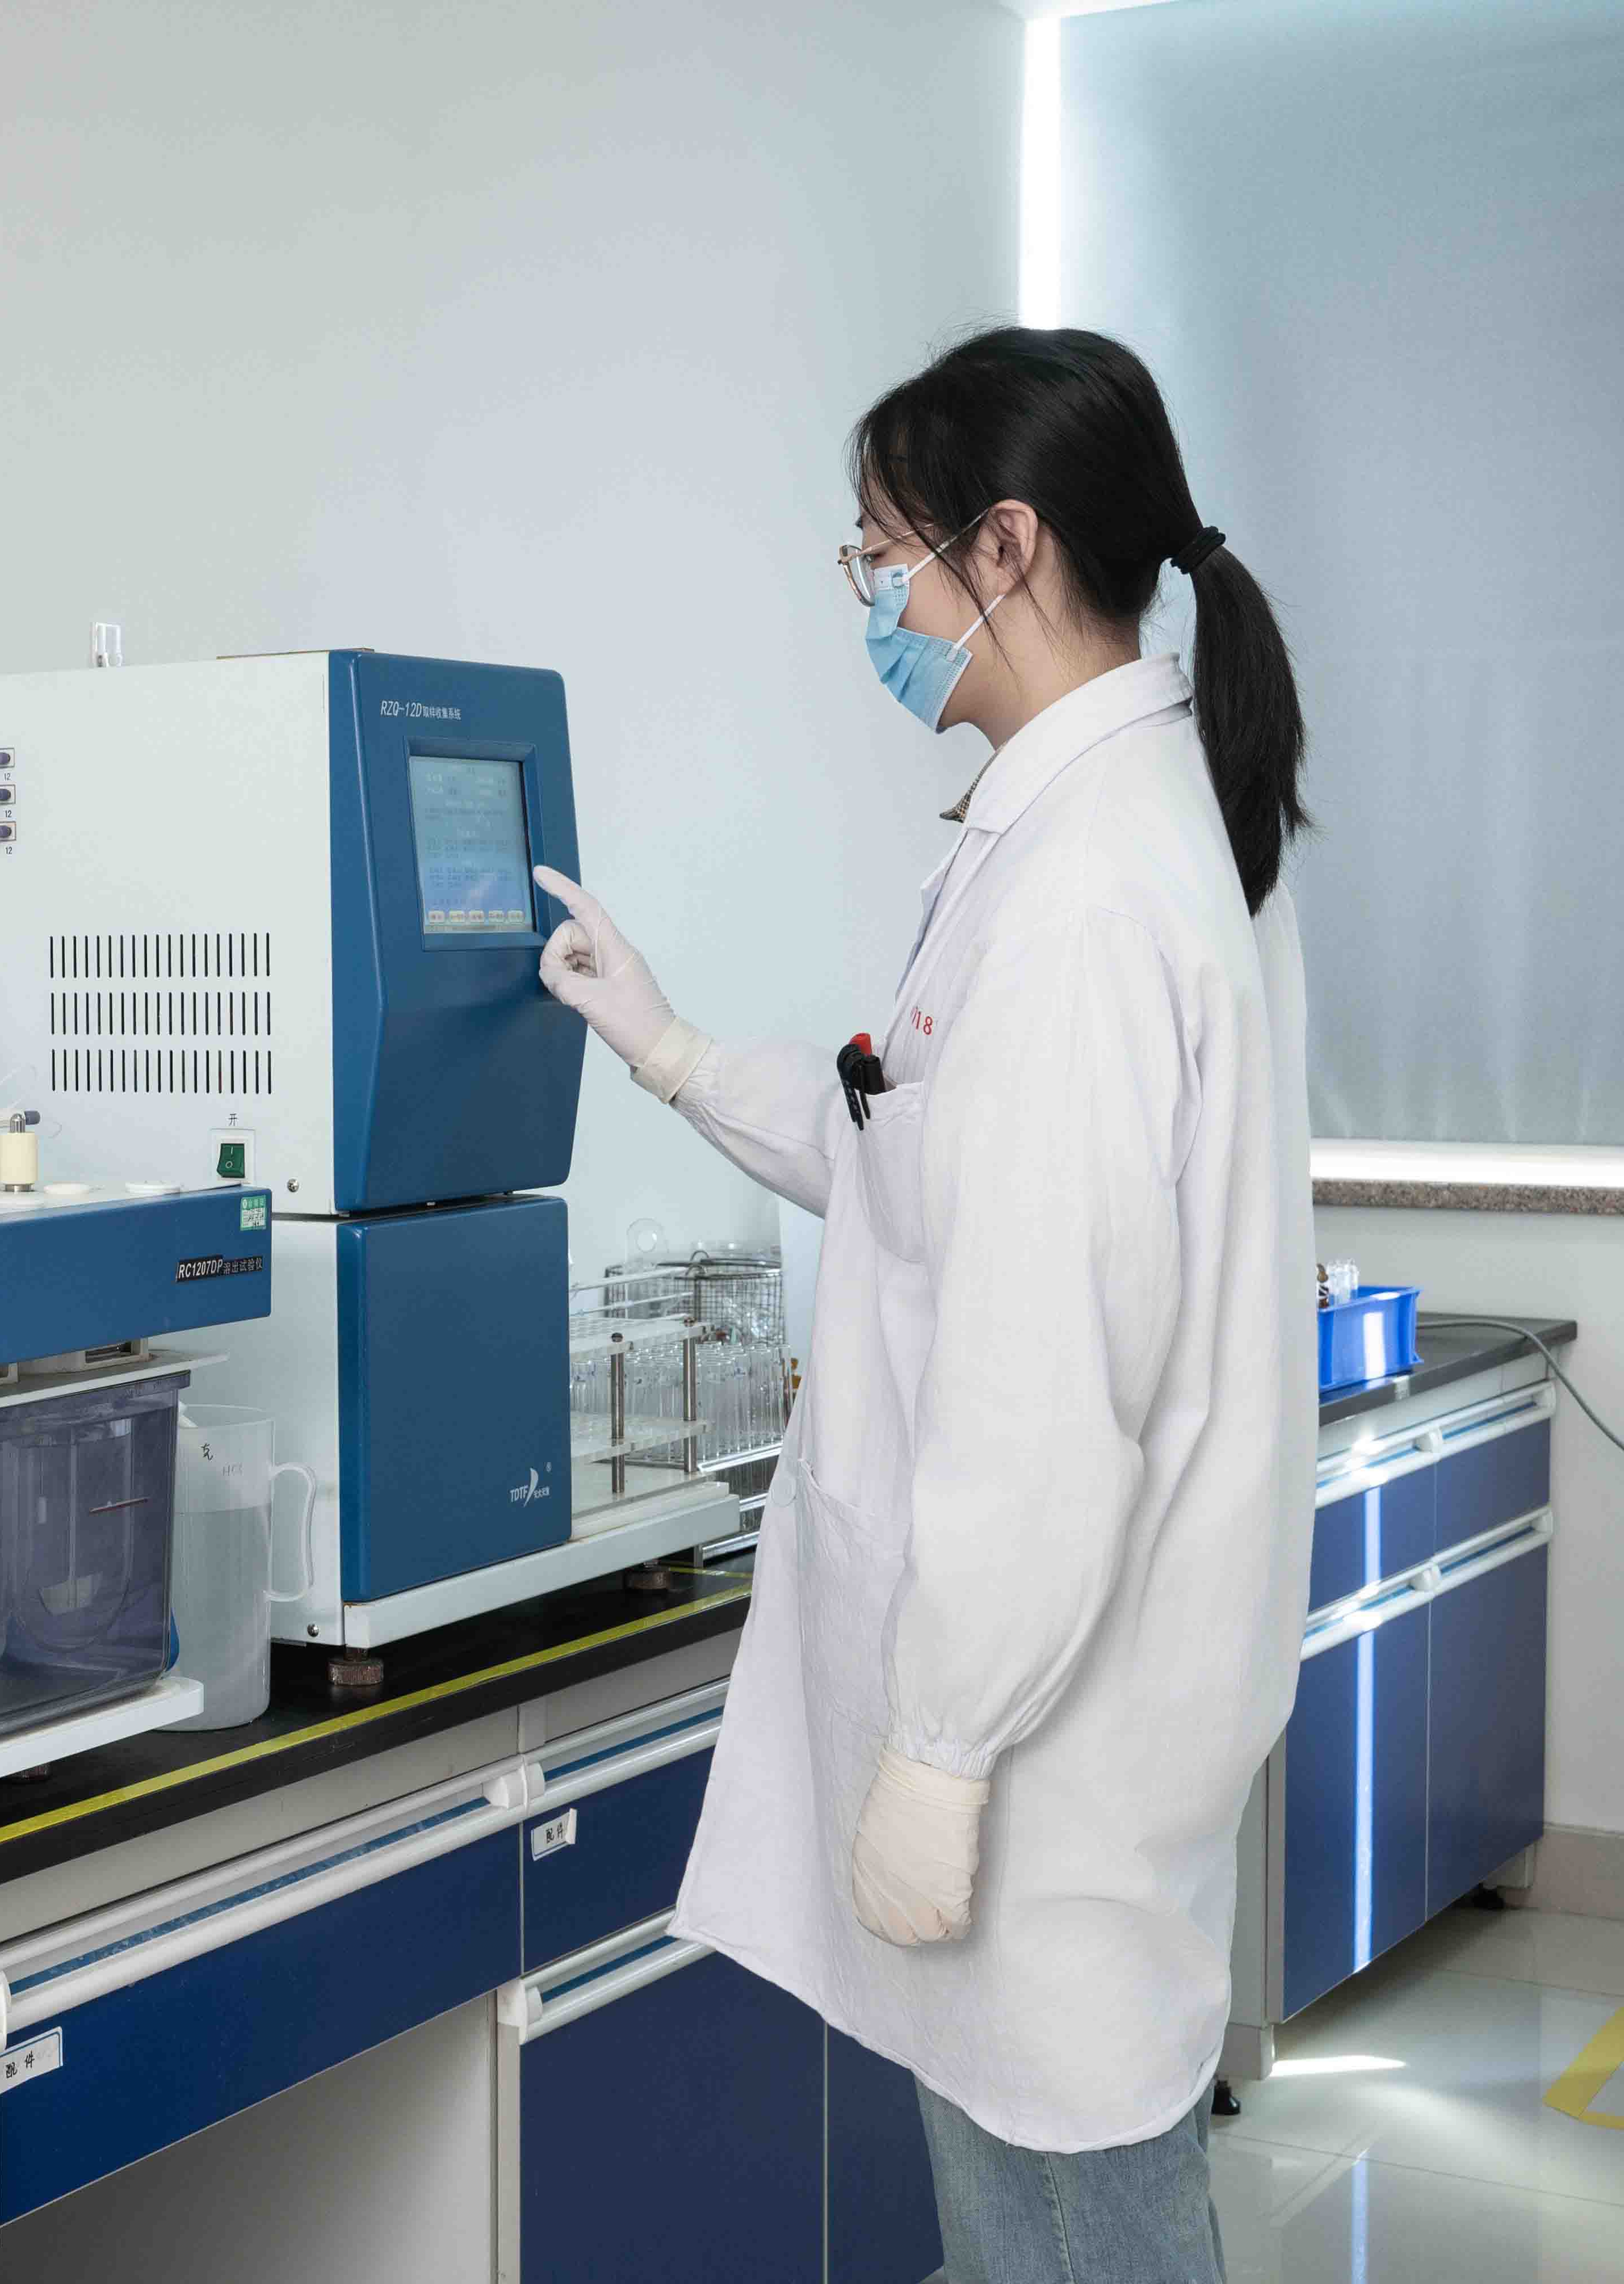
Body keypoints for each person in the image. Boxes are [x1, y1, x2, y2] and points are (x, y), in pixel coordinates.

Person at [534, 327, 1314, 2284]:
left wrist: (944, 1747)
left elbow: (1048, 1389)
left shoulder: (1086, 894)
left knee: (1083, 2224)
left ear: (1008, 547)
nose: (869, 601)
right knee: (1034, 2225)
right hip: (1062, 1725)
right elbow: (918, 1152)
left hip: (1048, 1749)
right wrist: (677, 1053)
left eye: (882, 555)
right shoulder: (1090, 827)